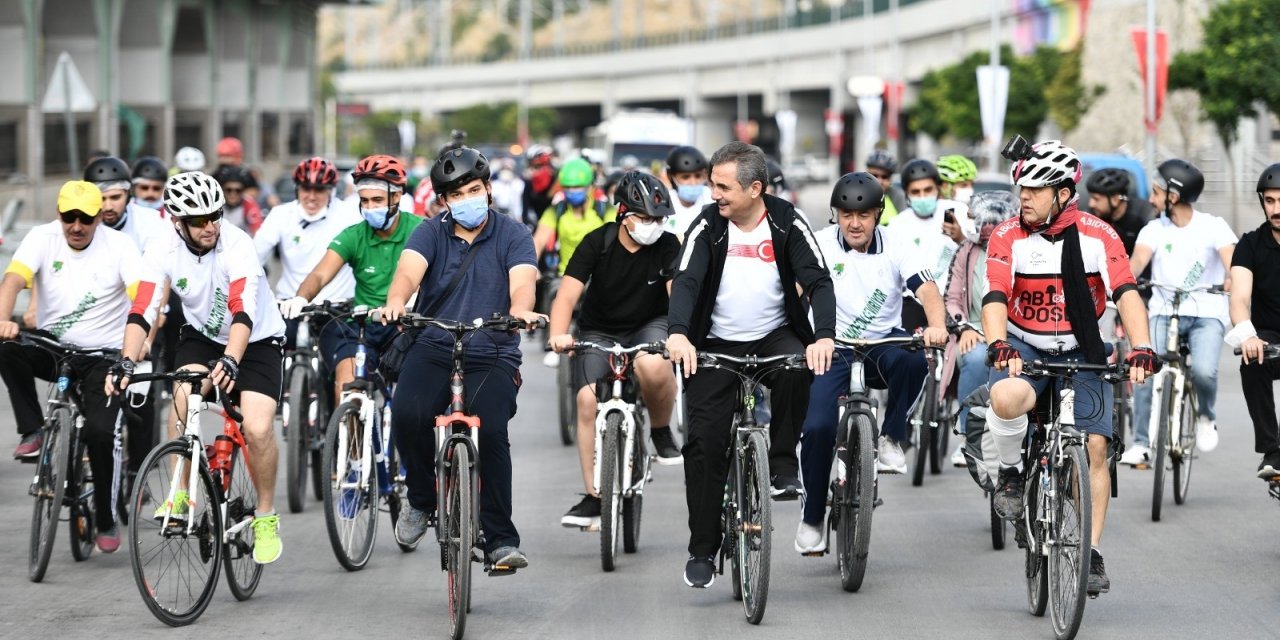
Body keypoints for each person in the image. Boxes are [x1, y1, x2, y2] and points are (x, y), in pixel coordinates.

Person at [982, 139, 1157, 597]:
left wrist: (1141, 346)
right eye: (1022, 187)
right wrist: (1000, 343)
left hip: (1084, 349)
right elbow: (996, 296)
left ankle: (1092, 552)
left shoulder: (1099, 234)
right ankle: (1010, 473)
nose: (1024, 196)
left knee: (1096, 446)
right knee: (1005, 398)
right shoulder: (1008, 235)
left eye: (1035, 190)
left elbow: (1126, 292)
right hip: (1027, 346)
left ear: (1063, 193)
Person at [665, 141, 836, 588]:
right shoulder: (707, 225)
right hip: (715, 342)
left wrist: (823, 336)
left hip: (774, 334)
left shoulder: (786, 220)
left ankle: (781, 462)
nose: (713, 194)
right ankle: (702, 547)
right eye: (711, 184)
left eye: (722, 186)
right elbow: (686, 280)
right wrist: (679, 333)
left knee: (800, 367)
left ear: (755, 188)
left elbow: (818, 281)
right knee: (703, 444)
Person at [377, 146, 543, 570]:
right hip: (433, 344)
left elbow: (523, 282)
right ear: (444, 201)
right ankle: (419, 498)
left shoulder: (514, 234)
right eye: (456, 194)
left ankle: (501, 539)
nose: (466, 198)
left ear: (488, 189)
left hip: (492, 350)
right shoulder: (430, 233)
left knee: (491, 435)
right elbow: (407, 274)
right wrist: (396, 301)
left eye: (474, 189)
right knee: (408, 414)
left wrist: (521, 310)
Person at [110, 171, 287, 564]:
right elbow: (142, 309)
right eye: (198, 220)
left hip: (256, 339)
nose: (209, 226)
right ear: (177, 221)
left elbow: (242, 311)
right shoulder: (162, 247)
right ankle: (180, 493)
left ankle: (265, 514)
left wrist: (231, 359)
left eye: (215, 215)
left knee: (257, 429)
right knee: (182, 401)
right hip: (203, 335)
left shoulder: (237, 245)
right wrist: (126, 360)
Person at [795, 173, 947, 552]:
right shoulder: (818, 243)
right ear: (836, 215)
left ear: (878, 213)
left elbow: (926, 288)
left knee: (915, 362)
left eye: (863, 214)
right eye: (846, 214)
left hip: (881, 343)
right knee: (817, 428)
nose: (854, 223)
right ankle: (813, 518)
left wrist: (937, 325)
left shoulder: (897, 243)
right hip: (832, 347)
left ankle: (893, 436)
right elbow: (793, 291)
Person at [0, 181, 144, 553]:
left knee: (100, 432)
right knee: (7, 349)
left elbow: (140, 300)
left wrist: (142, 341)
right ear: (59, 214)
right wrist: (4, 319)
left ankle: (107, 516)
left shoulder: (120, 247)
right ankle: (32, 430)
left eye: (85, 218)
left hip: (103, 357)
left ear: (99, 218)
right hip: (54, 349)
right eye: (69, 217)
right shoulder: (41, 238)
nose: (76, 226)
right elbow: (13, 279)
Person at [548, 171, 682, 529]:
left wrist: (681, 334)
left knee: (653, 366)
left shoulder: (669, 245)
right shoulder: (597, 242)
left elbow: (676, 295)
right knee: (586, 401)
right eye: (645, 218)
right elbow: (567, 294)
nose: (652, 226)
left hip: (650, 324)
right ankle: (594, 496)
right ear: (623, 213)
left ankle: (660, 430)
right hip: (600, 330)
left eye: (659, 219)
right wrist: (558, 334)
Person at [279, 154, 423, 404]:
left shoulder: (422, 230)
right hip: (363, 325)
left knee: (414, 399)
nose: (369, 208)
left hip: (406, 324)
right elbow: (320, 273)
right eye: (364, 201)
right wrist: (301, 296)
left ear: (397, 196)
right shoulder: (353, 235)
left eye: (377, 200)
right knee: (347, 388)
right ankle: (348, 436)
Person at [1122, 159, 1235, 466]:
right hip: (1162, 311)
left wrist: (1230, 278)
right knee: (1144, 368)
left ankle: (1205, 416)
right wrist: (1123, 282)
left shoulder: (1213, 226)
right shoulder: (1153, 229)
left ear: (1174, 196)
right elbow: (1136, 264)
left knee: (1203, 372)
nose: (1151, 199)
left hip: (1206, 313)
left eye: (1157, 192)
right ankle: (1143, 443)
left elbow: (1233, 263)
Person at [940, 190, 1020, 466]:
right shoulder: (966, 252)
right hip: (973, 330)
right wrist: (963, 328)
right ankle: (968, 436)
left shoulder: (1021, 250)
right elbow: (950, 298)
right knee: (975, 359)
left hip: (1014, 333)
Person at [254, 157, 359, 349]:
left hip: (337, 307)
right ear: (297, 189)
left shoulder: (350, 214)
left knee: (343, 370)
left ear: (331, 191)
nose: (311, 196)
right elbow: (254, 257)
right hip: (290, 304)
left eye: (319, 190)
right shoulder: (280, 214)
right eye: (305, 189)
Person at [1227, 163, 1280, 478]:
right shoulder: (1249, 244)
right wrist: (1247, 335)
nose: (1276, 209)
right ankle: (1272, 451)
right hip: (1270, 337)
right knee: (1253, 360)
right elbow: (1240, 298)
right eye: (1270, 201)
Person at [887, 159, 966, 332]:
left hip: (955, 299)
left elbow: (977, 253)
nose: (923, 197)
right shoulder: (897, 224)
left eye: (928, 190)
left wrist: (960, 237)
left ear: (938, 189)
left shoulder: (957, 211)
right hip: (913, 301)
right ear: (906, 194)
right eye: (916, 192)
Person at [1084, 168, 1151, 257]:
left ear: (1115, 199)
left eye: (1096, 199)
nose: (1091, 204)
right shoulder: (1093, 215)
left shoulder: (1142, 215)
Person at [663, 145, 714, 237]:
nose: (693, 182)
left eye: (698, 176)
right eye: (686, 177)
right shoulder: (664, 204)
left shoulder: (712, 199)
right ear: (671, 177)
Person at [213, 164, 263, 236]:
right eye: (228, 190)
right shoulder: (216, 204)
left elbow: (257, 231)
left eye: (238, 190)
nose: (233, 194)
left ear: (243, 191)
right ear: (222, 190)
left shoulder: (248, 203)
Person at [865, 149, 907, 226]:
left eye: (885, 177)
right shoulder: (857, 193)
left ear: (890, 179)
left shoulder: (898, 197)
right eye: (874, 175)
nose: (879, 181)